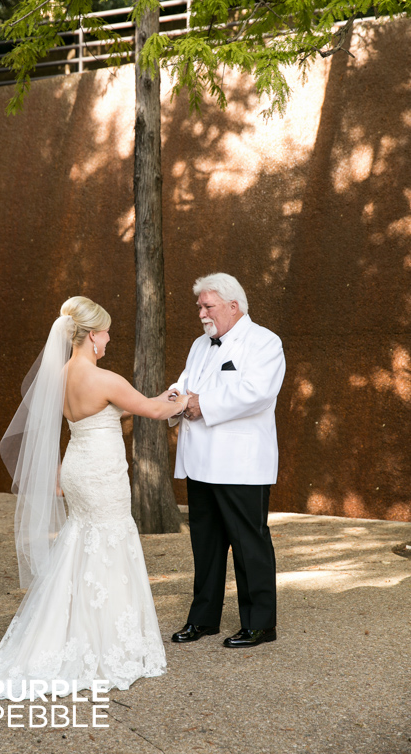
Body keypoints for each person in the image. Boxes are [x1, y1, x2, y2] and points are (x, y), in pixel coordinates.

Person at [0, 296, 188, 699]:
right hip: (102, 475)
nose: (109, 338)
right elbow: (153, 411)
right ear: (92, 336)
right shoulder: (104, 378)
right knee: (109, 541)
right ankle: (106, 641)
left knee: (81, 541)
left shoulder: (59, 377)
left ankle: (69, 629)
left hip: (76, 469)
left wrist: (151, 402)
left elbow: (103, 412)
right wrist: (181, 396)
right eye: (106, 332)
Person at [169, 273, 286, 649]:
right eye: (200, 306)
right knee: (205, 544)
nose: (201, 313)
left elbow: (257, 392)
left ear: (234, 306)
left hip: (240, 463)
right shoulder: (199, 344)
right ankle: (203, 619)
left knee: (249, 543)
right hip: (199, 461)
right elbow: (184, 383)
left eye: (208, 306)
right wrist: (172, 398)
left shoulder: (265, 342)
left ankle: (260, 624)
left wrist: (200, 403)